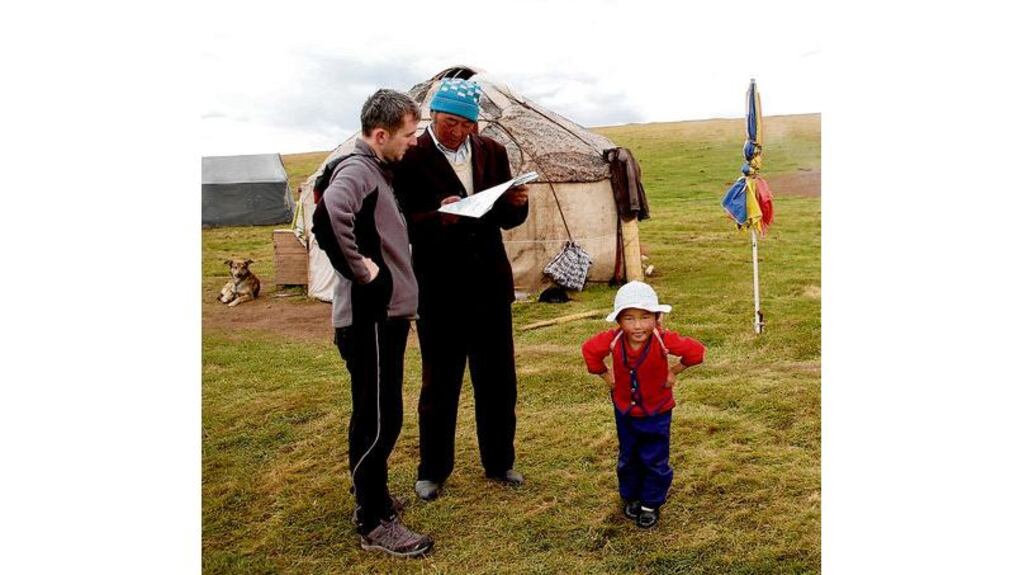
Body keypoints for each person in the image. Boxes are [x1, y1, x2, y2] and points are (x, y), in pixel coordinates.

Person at [392, 77, 530, 501]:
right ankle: (433, 468)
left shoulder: (493, 151)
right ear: (433, 116)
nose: (458, 132)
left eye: (466, 125)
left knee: (498, 379)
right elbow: (400, 221)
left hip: (489, 282)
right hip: (439, 287)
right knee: (441, 382)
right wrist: (438, 218)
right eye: (450, 122)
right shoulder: (409, 156)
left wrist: (517, 205)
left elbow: (505, 221)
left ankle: (499, 461)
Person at [311, 89, 432, 557]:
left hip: (384, 318)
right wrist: (364, 273)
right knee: (379, 419)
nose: (414, 142)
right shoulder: (358, 169)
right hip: (371, 320)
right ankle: (373, 521)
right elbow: (326, 218)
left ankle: (374, 496)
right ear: (380, 135)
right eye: (408, 134)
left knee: (377, 414)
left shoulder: (375, 170)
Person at [580, 281, 706, 528]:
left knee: (654, 457)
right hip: (625, 410)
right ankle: (631, 495)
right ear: (619, 321)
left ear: (657, 318)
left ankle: (651, 501)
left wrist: (674, 371)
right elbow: (589, 351)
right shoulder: (614, 340)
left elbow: (696, 352)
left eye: (645, 317)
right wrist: (608, 377)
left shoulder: (662, 339)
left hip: (656, 411)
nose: (638, 326)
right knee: (629, 455)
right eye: (629, 318)